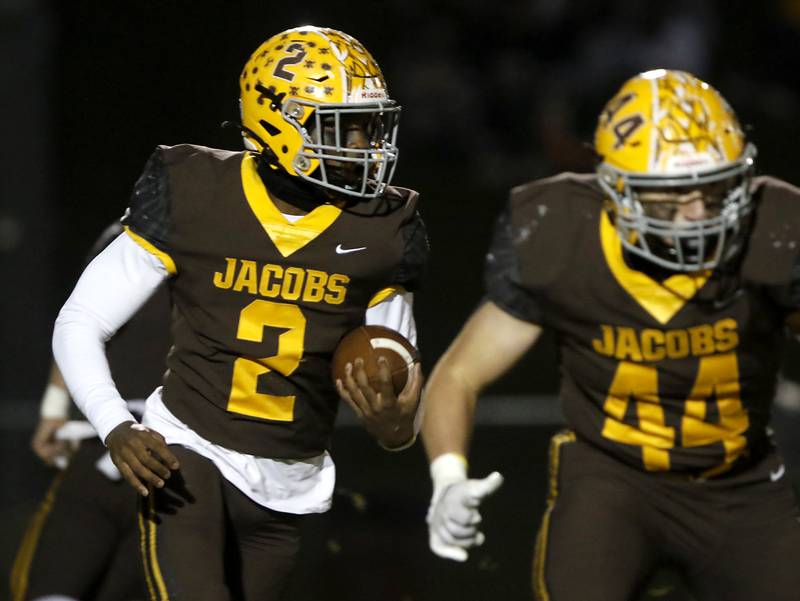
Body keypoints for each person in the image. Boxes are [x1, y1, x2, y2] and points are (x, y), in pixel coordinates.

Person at [52, 26, 426, 601]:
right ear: (279, 123)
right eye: (342, 126)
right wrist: (115, 426)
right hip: (187, 451)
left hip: (290, 481)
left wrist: (391, 423)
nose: (362, 143)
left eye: (368, 124)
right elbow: (81, 319)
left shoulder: (384, 229)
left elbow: (398, 411)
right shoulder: (196, 187)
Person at [422, 69, 800, 600]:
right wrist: (447, 477)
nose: (696, 214)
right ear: (617, 192)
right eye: (671, 197)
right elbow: (459, 374)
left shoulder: (776, 228)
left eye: (713, 189)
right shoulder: (557, 232)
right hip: (614, 482)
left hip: (741, 483)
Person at [13, 222, 171, 601]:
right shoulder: (243, 243)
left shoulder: (133, 234)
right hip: (157, 459)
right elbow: (81, 323)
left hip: (136, 454)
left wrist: (54, 411)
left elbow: (80, 326)